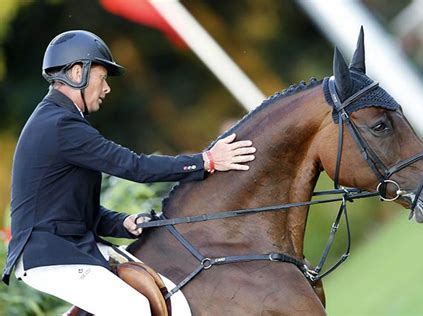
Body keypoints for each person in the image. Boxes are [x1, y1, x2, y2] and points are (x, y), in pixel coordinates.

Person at [2, 30, 256, 315]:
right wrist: (206, 160)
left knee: (171, 293)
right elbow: (134, 166)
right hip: (51, 255)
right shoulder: (61, 125)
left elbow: (74, 213)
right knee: (133, 308)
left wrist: (124, 223)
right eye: (102, 78)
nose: (107, 88)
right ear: (77, 73)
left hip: (69, 246)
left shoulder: (59, 121)